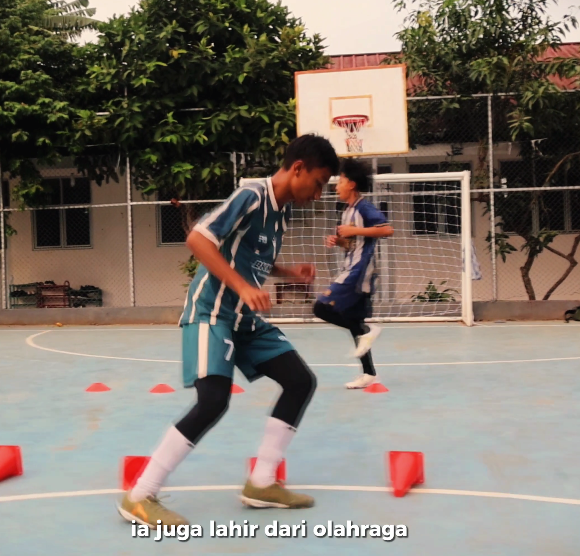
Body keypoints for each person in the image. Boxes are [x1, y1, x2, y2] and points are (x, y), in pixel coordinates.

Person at [117, 134, 340, 528]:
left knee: (300, 381)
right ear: (298, 168)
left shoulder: (282, 212)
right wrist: (242, 287)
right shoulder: (252, 195)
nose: (319, 194)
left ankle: (262, 483)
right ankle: (140, 496)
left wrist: (287, 272)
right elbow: (198, 238)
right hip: (212, 314)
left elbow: (250, 257)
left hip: (245, 320)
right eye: (319, 183)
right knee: (213, 400)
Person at [313, 158, 394, 389]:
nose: (336, 186)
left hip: (359, 271)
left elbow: (387, 229)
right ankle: (369, 374)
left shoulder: (363, 208)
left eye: (340, 181)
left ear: (351, 184)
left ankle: (369, 331)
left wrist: (353, 230)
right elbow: (353, 245)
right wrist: (340, 241)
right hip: (352, 267)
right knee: (353, 322)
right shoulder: (347, 211)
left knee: (320, 308)